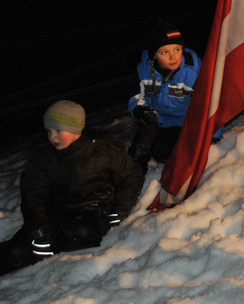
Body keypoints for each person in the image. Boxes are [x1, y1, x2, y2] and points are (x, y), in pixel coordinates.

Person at [0, 101, 143, 276]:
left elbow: (131, 176)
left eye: (58, 130)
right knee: (19, 250)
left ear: (75, 129)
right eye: (49, 131)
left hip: (92, 211)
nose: (52, 136)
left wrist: (119, 210)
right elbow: (33, 193)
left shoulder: (102, 148)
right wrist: (39, 226)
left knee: (80, 235)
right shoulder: (43, 154)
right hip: (55, 212)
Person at [128, 20, 206, 169]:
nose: (173, 57)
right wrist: (139, 109)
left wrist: (213, 137)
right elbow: (137, 96)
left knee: (174, 155)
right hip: (160, 121)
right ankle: (135, 170)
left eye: (177, 49)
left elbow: (209, 104)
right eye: (165, 52)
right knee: (147, 140)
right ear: (154, 55)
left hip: (186, 124)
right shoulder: (144, 70)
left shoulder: (195, 71)